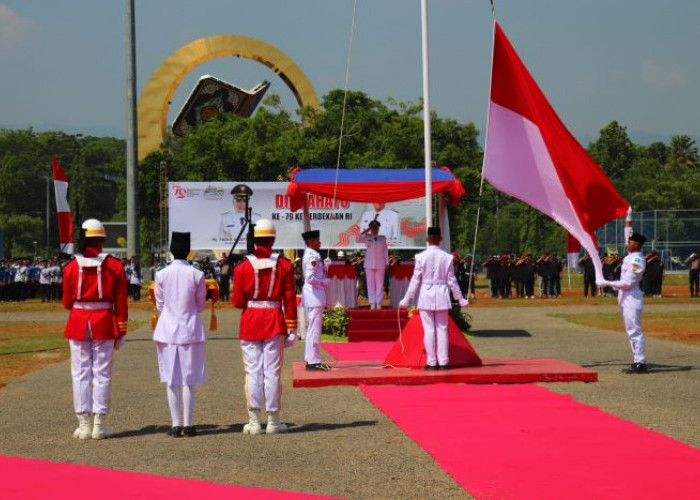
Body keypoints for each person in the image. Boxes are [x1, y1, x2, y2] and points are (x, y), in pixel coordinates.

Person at [62, 219, 128, 439]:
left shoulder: (71, 267)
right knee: (102, 373)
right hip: (104, 322)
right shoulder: (115, 266)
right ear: (102, 239)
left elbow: (66, 302)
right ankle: (99, 424)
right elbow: (121, 301)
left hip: (79, 321)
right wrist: (122, 328)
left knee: (79, 373)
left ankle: (83, 424)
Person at [233, 219, 298, 434]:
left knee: (252, 372)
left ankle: (253, 421)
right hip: (274, 320)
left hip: (251, 320)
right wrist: (293, 327)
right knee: (272, 372)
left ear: (254, 240)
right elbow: (289, 298)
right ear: (273, 239)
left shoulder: (242, 268)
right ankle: (273, 421)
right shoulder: (284, 265)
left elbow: (237, 302)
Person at [153, 232, 207, 438]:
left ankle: (175, 425)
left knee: (171, 379)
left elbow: (159, 303)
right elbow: (200, 304)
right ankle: (189, 424)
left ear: (171, 250)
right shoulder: (197, 274)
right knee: (188, 379)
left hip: (167, 329)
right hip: (190, 328)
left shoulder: (161, 274)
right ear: (188, 251)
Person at [399, 227, 469, 370]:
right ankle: (443, 361)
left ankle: (431, 361)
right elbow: (452, 281)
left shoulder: (420, 257)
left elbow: (415, 280)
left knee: (429, 329)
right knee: (442, 329)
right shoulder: (447, 257)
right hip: (442, 293)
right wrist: (460, 299)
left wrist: (406, 299)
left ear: (427, 239)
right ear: (440, 240)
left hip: (426, 295)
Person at [596, 232, 649, 373]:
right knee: (630, 331)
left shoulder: (637, 260)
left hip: (632, 298)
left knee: (634, 331)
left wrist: (606, 282)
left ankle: (641, 362)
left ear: (637, 244)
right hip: (626, 298)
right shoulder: (629, 258)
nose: (627, 244)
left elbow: (628, 282)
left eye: (630, 242)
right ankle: (637, 360)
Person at [301, 229, 331, 371]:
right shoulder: (312, 255)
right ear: (311, 242)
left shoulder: (312, 254)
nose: (320, 243)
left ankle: (310, 359)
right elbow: (310, 278)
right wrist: (323, 281)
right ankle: (314, 361)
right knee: (314, 330)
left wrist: (325, 267)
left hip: (314, 296)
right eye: (318, 241)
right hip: (315, 296)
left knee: (312, 329)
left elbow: (315, 273)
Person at [357, 220, 389, 309]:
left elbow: (385, 251)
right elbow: (358, 238)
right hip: (369, 264)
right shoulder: (366, 237)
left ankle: (378, 303)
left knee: (379, 284)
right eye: (373, 228)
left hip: (380, 263)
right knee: (370, 284)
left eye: (376, 228)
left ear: (378, 229)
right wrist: (367, 230)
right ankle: (372, 303)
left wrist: (387, 262)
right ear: (371, 229)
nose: (375, 229)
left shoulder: (383, 238)